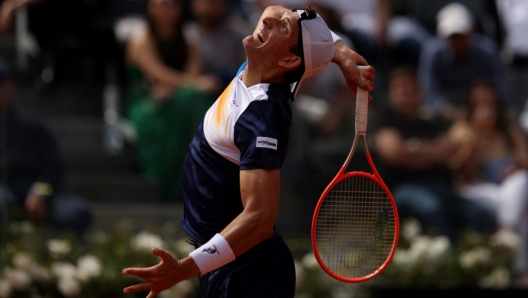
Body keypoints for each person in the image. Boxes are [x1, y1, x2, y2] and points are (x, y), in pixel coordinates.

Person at [122, 5, 375, 297]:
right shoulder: (257, 68)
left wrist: (185, 269)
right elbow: (276, 10)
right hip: (228, 265)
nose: (267, 19)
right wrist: (339, 52)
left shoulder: (262, 119)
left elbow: (259, 221)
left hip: (249, 275)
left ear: (289, 59)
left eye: (281, 28)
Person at [369, 66, 497, 245]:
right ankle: (449, 263)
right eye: (398, 89)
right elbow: (394, 154)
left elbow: (449, 151)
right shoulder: (383, 120)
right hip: (402, 187)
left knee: (480, 213)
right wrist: (430, 152)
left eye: (409, 88)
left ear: (419, 92)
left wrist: (412, 149)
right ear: (390, 94)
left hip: (438, 185)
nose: (404, 93)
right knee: (432, 208)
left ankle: (480, 261)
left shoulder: (433, 122)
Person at [124, 0, 219, 202]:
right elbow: (158, 74)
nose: (164, 11)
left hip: (176, 97)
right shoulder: (140, 40)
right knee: (192, 98)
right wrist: (193, 84)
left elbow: (192, 73)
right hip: (146, 102)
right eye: (158, 5)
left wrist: (181, 87)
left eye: (170, 5)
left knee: (192, 99)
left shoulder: (189, 40)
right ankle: (175, 183)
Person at [0, 58, 92, 239]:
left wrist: (39, 192)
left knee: (77, 212)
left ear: (11, 87)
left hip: (35, 193)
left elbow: (54, 168)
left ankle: (65, 259)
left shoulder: (32, 126)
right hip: (3, 194)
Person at [448, 80, 528, 287]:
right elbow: (457, 168)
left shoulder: (509, 129)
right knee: (521, 210)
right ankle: (520, 273)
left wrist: (515, 167)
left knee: (520, 182)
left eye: (489, 101)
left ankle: (505, 231)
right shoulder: (462, 128)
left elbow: (525, 162)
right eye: (479, 101)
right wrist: (475, 132)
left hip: (506, 189)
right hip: (476, 188)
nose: (485, 106)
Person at [418, 2, 510, 119]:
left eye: (461, 36)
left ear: (471, 32)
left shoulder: (487, 50)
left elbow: (500, 88)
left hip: (482, 109)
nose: (457, 41)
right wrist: (445, 109)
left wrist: (485, 105)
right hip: (446, 113)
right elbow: (428, 92)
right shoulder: (432, 52)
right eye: (452, 37)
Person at [184, 0, 247, 94]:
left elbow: (246, 68)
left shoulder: (239, 35)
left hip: (233, 88)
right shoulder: (187, 35)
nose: (211, 8)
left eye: (217, 3)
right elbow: (190, 74)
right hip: (200, 89)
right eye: (209, 3)